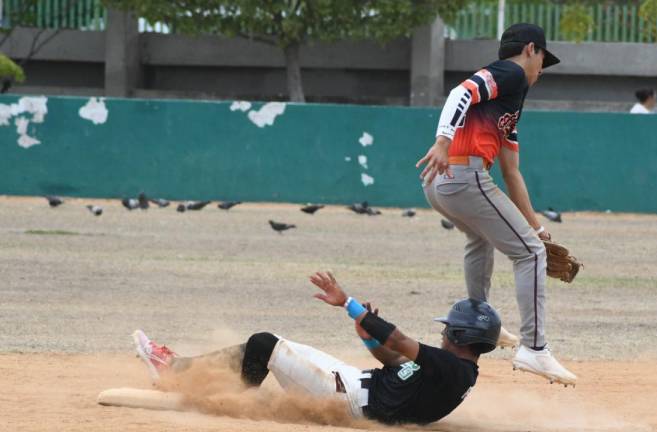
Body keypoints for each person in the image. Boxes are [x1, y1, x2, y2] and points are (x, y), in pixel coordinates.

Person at [415, 22, 577, 386]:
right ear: (531, 49)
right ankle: (535, 348)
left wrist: (535, 226)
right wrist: (442, 141)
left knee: (484, 240)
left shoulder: (509, 104)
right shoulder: (512, 72)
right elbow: (460, 92)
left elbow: (511, 172)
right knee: (531, 254)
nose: (540, 71)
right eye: (542, 61)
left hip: (440, 184)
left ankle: (478, 321)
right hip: (461, 174)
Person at [132, 271, 502, 425]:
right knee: (271, 345)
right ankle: (185, 370)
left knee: (265, 344)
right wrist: (365, 331)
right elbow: (391, 356)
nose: (442, 335)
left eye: (448, 330)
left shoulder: (452, 368)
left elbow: (398, 340)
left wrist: (348, 303)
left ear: (461, 338)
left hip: (351, 400)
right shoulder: (451, 368)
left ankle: (218, 393)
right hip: (358, 384)